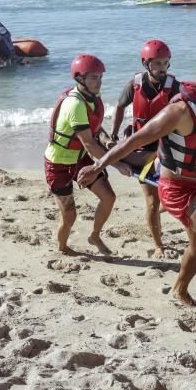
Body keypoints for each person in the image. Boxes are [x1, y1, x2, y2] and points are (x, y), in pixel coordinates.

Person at [78, 54, 196, 312]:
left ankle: (180, 289)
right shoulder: (179, 112)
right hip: (177, 190)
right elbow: (133, 141)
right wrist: (98, 165)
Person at [45, 55, 130, 255]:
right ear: (80, 78)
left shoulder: (93, 98)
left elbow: (96, 128)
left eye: (100, 77)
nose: (98, 82)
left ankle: (94, 236)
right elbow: (90, 144)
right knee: (69, 216)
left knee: (108, 197)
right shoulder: (74, 104)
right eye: (93, 78)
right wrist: (117, 164)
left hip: (80, 158)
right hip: (59, 163)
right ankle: (63, 248)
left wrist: (107, 140)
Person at [110, 40, 181, 258]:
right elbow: (120, 107)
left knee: (174, 197)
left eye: (166, 63)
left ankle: (165, 206)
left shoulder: (174, 86)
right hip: (142, 148)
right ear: (145, 63)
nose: (162, 68)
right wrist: (114, 133)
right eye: (157, 63)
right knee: (151, 202)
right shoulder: (135, 85)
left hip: (168, 149)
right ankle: (159, 244)